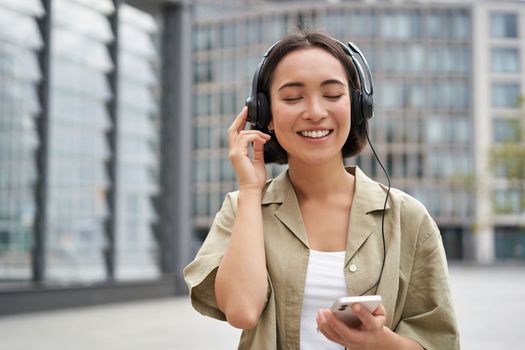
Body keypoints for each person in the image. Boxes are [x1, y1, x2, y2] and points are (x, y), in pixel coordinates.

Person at [183, 30, 459, 350]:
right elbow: (242, 311)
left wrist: (378, 341)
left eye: (332, 95)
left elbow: (440, 343)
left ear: (357, 106)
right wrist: (249, 189)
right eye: (292, 97)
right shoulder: (242, 207)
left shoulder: (407, 217)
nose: (315, 111)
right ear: (266, 115)